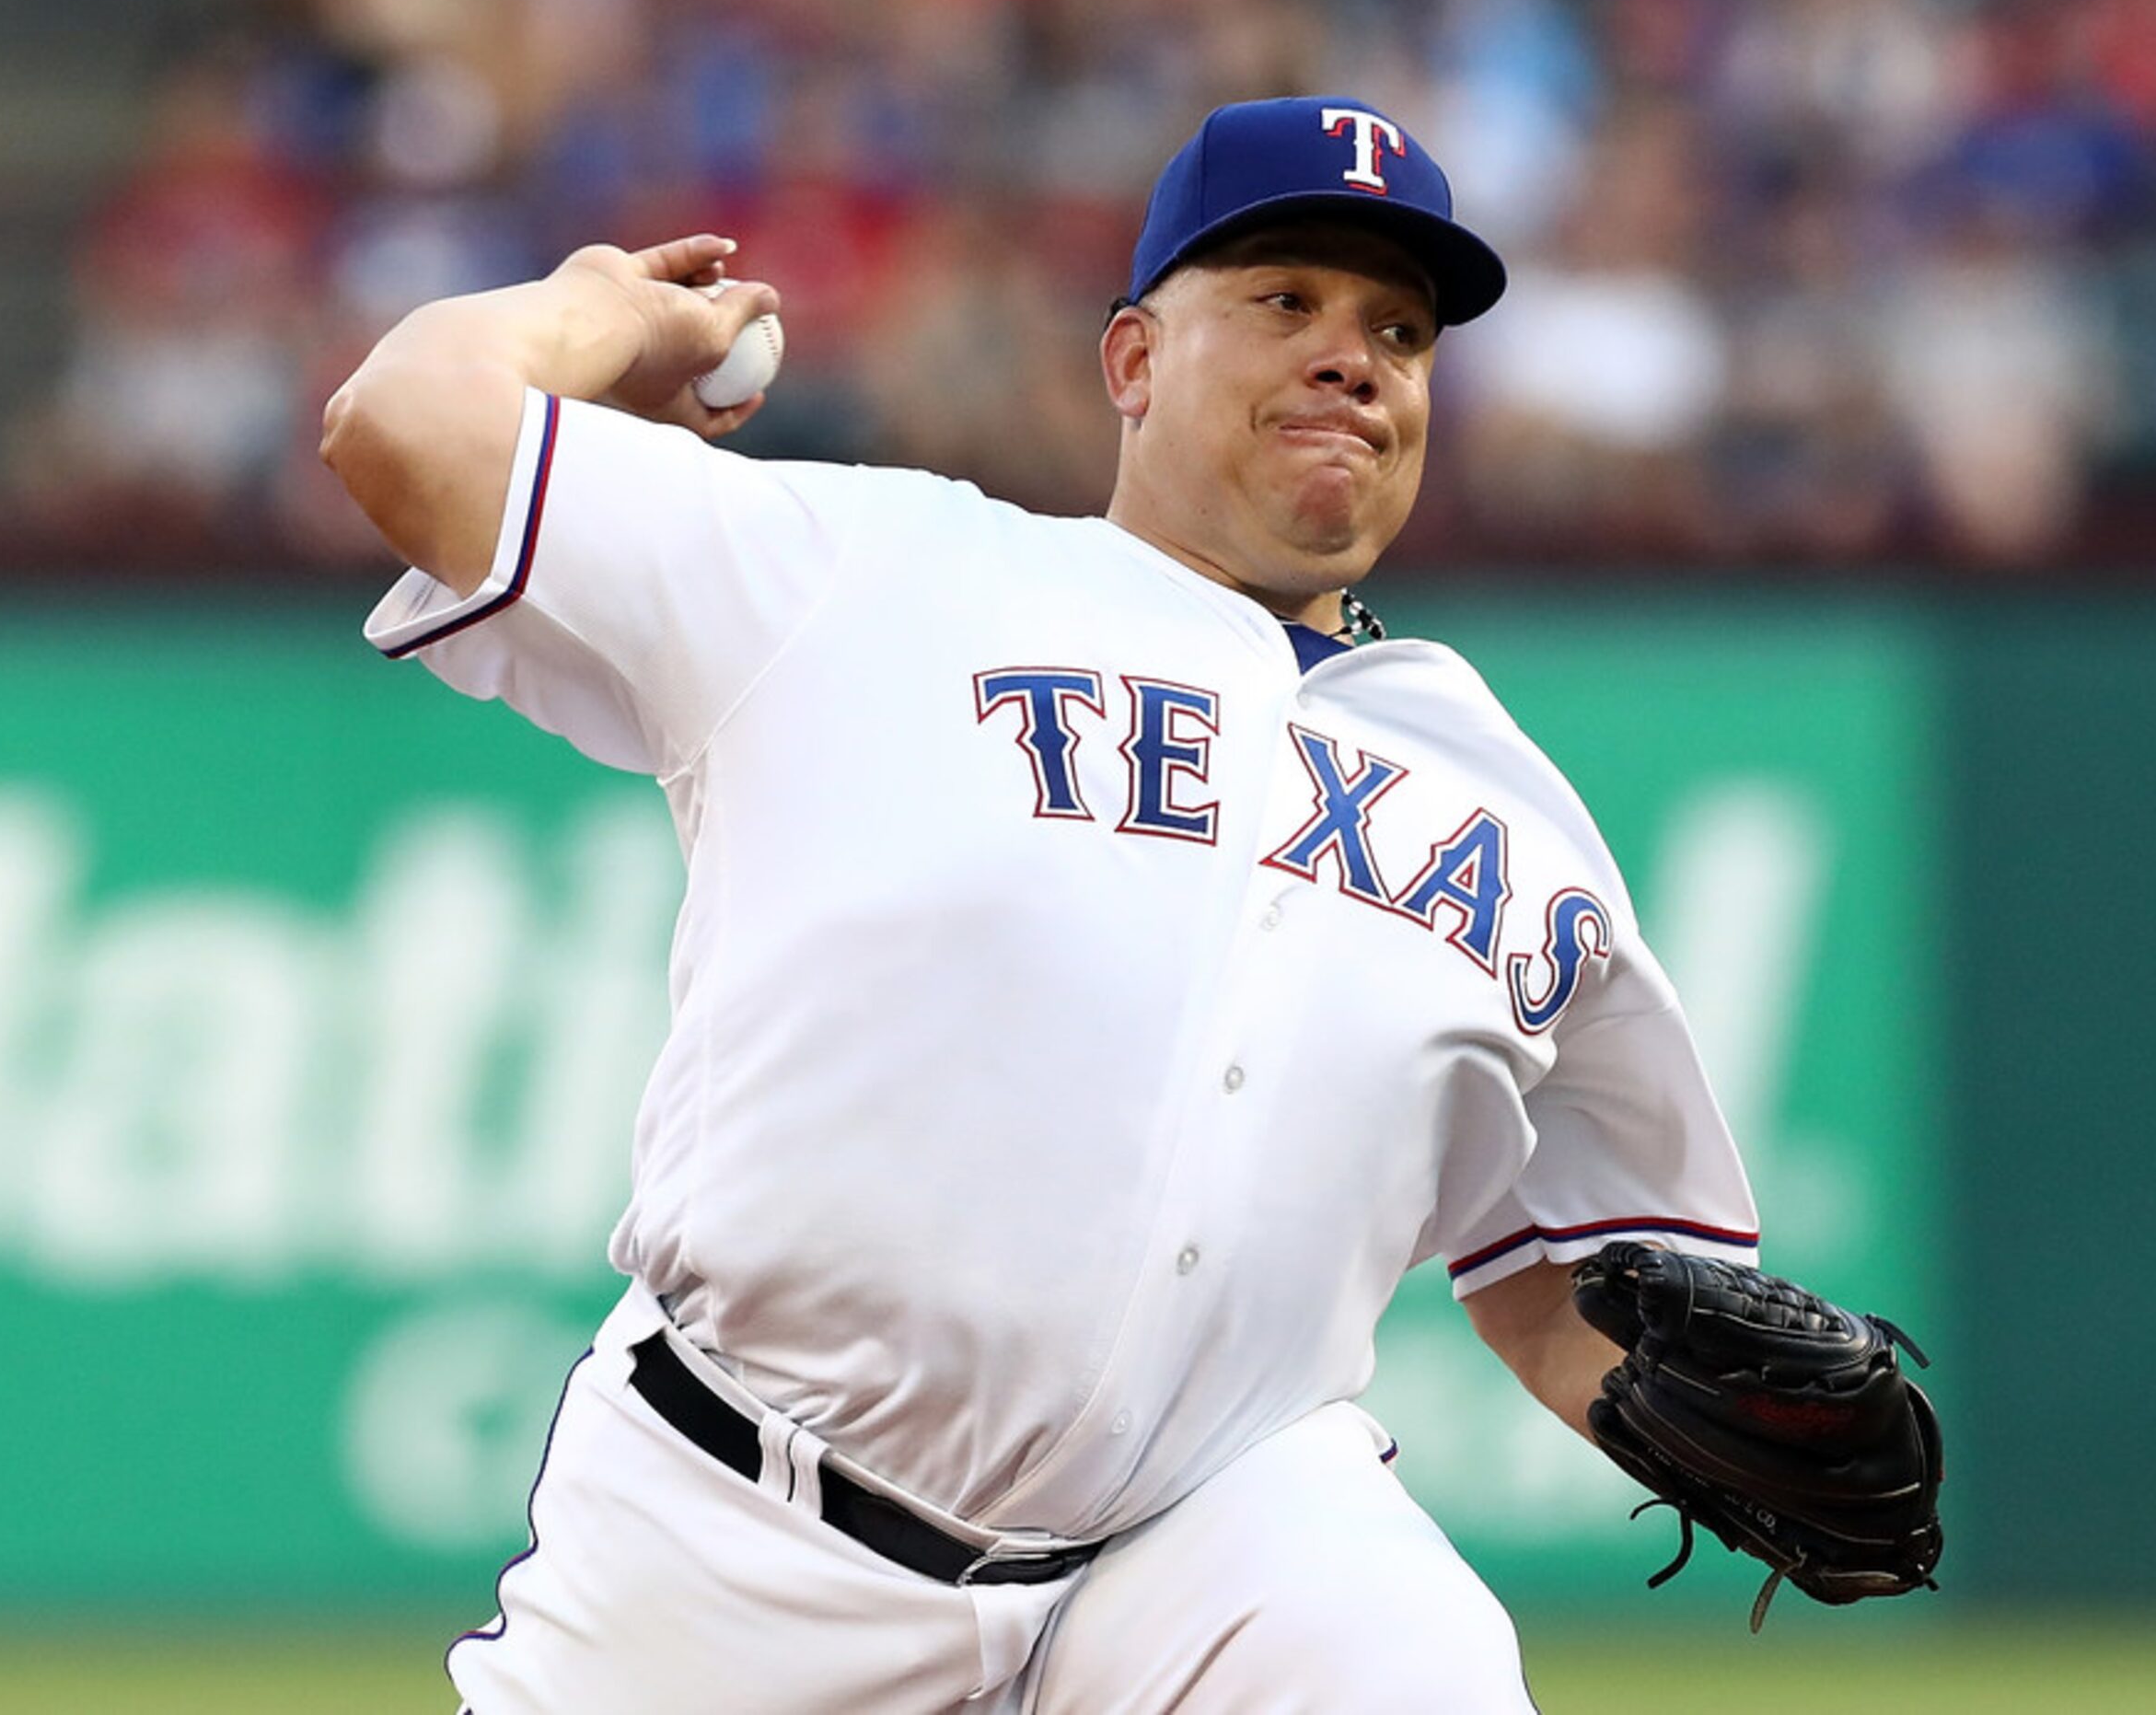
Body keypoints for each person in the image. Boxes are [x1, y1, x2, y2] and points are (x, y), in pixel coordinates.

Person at [322, 95, 1758, 1714]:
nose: (1354, 356)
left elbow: (1556, 1276)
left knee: (1405, 1648)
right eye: (1285, 301)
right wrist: (598, 310)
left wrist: (1724, 1424)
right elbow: (408, 421)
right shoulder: (869, 567)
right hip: (735, 1546)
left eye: (1399, 330)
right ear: (1133, 362)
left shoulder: (1508, 804)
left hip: (1191, 1552)